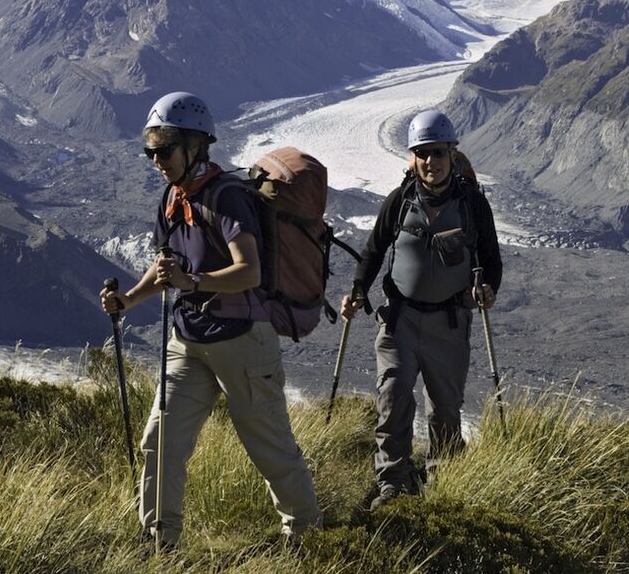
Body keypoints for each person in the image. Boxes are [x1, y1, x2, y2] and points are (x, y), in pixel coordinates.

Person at [99, 91, 322, 548]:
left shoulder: (227, 199)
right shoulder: (172, 197)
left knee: (270, 448)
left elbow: (250, 271)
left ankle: (306, 536)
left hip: (243, 341)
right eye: (151, 150)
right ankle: (159, 540)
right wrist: (128, 301)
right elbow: (166, 268)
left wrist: (192, 280)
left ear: (196, 145)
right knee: (160, 441)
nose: (156, 159)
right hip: (190, 340)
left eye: (165, 148)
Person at [341, 109, 502, 508]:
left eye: (439, 153)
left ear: (452, 153)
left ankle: (442, 479)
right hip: (400, 319)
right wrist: (359, 288)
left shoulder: (472, 205)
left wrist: (488, 287)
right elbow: (374, 249)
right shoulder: (399, 201)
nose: (431, 161)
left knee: (445, 411)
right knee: (393, 399)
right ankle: (392, 482)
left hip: (449, 321)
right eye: (423, 153)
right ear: (413, 158)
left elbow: (491, 258)